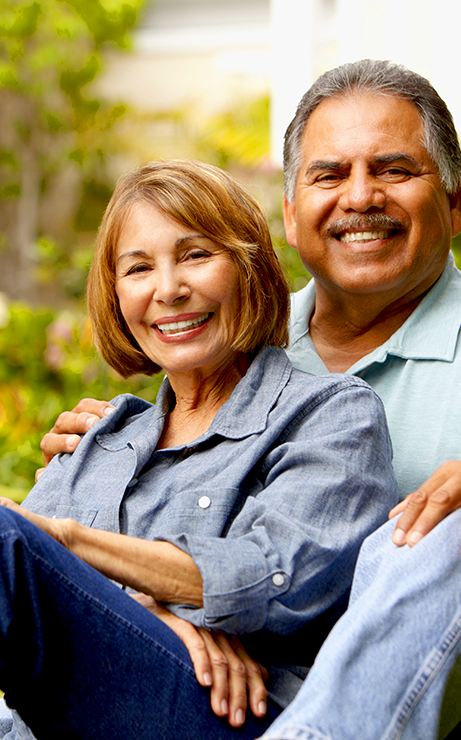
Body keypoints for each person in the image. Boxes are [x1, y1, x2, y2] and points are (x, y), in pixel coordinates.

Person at [40, 60, 461, 737]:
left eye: (395, 170)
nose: (360, 197)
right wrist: (101, 477)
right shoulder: (225, 347)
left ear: (456, 202)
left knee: (458, 518)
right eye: (329, 175)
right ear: (289, 213)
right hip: (230, 700)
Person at [0, 159, 399, 739]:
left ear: (248, 267)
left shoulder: (330, 414)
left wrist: (65, 541)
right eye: (138, 268)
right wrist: (153, 612)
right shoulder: (97, 440)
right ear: (116, 297)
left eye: (195, 255)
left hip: (221, 712)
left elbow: (277, 577)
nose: (168, 290)